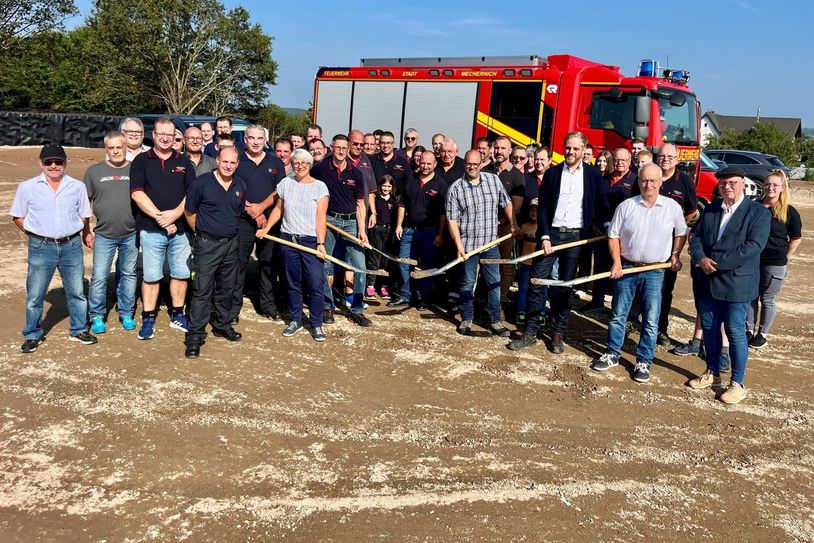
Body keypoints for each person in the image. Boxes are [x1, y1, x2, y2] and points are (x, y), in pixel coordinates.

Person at [509, 131, 609, 353]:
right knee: (537, 282)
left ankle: (557, 334)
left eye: (575, 148)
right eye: (568, 148)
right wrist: (544, 236)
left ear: (583, 150)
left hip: (576, 238)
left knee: (565, 287)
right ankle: (530, 332)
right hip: (551, 236)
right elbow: (543, 208)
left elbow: (602, 206)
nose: (571, 152)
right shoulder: (553, 174)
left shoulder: (593, 175)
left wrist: (608, 227)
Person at [590, 163, 688, 382]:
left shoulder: (672, 207)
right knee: (618, 315)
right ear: (639, 182)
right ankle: (612, 353)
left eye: (653, 180)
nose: (648, 185)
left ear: (661, 182)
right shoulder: (626, 206)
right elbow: (613, 236)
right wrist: (616, 262)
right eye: (644, 180)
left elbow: (681, 232)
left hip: (655, 271)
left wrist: (675, 254)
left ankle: (643, 361)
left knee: (651, 320)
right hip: (627, 267)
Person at [687, 166, 771, 404]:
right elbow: (698, 238)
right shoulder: (712, 209)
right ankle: (711, 372)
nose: (727, 186)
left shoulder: (758, 213)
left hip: (737, 285)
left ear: (743, 183)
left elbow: (753, 246)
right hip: (708, 281)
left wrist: (717, 263)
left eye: (732, 182)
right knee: (711, 330)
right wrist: (701, 259)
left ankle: (737, 382)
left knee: (735, 333)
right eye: (723, 183)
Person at [11, 143, 96, 351]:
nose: (54, 166)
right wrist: (35, 234)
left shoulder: (77, 186)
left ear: (65, 163)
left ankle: (78, 329)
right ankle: (32, 334)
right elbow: (18, 217)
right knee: (36, 293)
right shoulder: (27, 187)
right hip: (41, 246)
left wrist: (86, 233)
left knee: (76, 291)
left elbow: (84, 215)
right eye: (49, 162)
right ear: (41, 163)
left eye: (58, 161)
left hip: (71, 245)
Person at [130, 116, 197, 340]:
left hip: (180, 231)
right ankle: (148, 316)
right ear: (155, 135)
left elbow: (191, 194)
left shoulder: (184, 162)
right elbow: (137, 193)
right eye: (162, 134)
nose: (166, 138)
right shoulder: (141, 161)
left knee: (180, 273)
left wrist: (175, 215)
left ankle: (178, 313)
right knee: (151, 275)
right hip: (151, 228)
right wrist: (161, 218)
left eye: (171, 134)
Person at [256, 149, 329, 341]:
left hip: (310, 241)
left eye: (304, 163)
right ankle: (295, 320)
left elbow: (321, 217)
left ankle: (316, 323)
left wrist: (321, 243)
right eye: (296, 162)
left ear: (310, 165)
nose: (300, 166)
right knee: (292, 282)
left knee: (315, 283)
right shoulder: (285, 184)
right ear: (292, 164)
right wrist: (267, 228)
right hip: (288, 239)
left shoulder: (320, 187)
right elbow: (278, 209)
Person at [183, 146, 245, 358]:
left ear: (237, 164)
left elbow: (237, 212)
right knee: (202, 290)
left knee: (227, 288)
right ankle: (195, 335)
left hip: (231, 245)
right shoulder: (201, 183)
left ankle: (222, 325)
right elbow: (190, 212)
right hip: (207, 245)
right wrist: (201, 233)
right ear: (217, 160)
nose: (228, 166)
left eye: (233, 163)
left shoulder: (240, 185)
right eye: (225, 161)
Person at [446, 149, 515, 337]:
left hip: (491, 244)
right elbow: (452, 220)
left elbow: (506, 203)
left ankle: (495, 321)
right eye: (469, 164)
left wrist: (513, 222)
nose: (472, 167)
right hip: (468, 247)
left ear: (481, 163)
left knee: (494, 283)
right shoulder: (456, 189)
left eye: (475, 164)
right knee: (467, 282)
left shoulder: (493, 181)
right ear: (464, 164)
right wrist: (459, 246)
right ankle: (466, 319)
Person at [311, 134, 372, 327]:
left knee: (359, 266)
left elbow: (361, 204)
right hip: (328, 222)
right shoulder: (320, 169)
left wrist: (362, 230)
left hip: (351, 223)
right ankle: (327, 307)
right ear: (331, 147)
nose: (341, 151)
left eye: (344, 148)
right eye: (338, 147)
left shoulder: (356, 173)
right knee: (325, 264)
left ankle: (357, 309)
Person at [84, 131, 138, 334]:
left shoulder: (136, 170)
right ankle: (97, 315)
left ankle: (126, 312)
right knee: (99, 276)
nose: (116, 151)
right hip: (104, 235)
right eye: (111, 148)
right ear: (106, 149)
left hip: (131, 234)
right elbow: (84, 204)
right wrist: (86, 231)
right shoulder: (93, 172)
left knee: (128, 274)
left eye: (119, 147)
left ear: (126, 147)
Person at [232, 125, 286, 323]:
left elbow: (280, 190)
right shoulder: (238, 160)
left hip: (268, 221)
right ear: (245, 140)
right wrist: (251, 211)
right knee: (239, 263)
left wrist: (261, 208)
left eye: (260, 138)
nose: (256, 142)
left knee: (268, 263)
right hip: (243, 219)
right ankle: (233, 307)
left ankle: (268, 305)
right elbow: (232, 185)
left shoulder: (275, 162)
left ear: (266, 140)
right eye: (252, 138)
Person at [746, 169, 802, 349]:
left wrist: (784, 257)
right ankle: (748, 330)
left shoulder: (789, 212)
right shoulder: (754, 206)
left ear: (782, 188)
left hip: (775, 263)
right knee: (750, 296)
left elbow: (795, 238)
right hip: (752, 261)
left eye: (775, 185)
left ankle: (762, 334)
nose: (770, 188)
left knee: (768, 299)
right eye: (768, 184)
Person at [390, 151, 448, 309]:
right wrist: (399, 225)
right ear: (418, 162)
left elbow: (444, 213)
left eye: (429, 163)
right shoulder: (410, 179)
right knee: (404, 263)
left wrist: (440, 234)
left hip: (429, 232)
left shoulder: (441, 184)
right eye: (423, 163)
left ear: (435, 164)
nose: (425, 166)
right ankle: (405, 295)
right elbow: (402, 204)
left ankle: (423, 297)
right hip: (408, 230)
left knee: (427, 266)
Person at [366, 175, 397, 299]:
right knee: (375, 257)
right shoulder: (376, 198)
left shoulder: (393, 199)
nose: (386, 188)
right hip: (376, 229)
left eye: (389, 186)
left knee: (386, 258)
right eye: (384, 186)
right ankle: (370, 286)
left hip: (388, 230)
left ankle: (384, 286)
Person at [515, 198, 539, 324]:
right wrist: (518, 259)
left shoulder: (544, 228)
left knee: (539, 289)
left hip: (539, 265)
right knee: (523, 288)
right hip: (525, 263)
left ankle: (540, 312)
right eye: (531, 211)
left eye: (536, 211)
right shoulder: (524, 227)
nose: (533, 213)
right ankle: (521, 311)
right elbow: (518, 244)